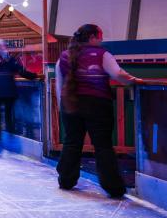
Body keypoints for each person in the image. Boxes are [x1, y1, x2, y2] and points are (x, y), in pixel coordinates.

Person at [54, 24, 137, 198]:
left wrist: (63, 106)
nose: (102, 39)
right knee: (103, 146)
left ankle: (66, 181)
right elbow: (118, 74)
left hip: (70, 105)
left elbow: (59, 84)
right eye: (100, 35)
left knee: (71, 143)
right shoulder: (103, 55)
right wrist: (135, 81)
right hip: (98, 105)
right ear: (92, 37)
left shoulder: (63, 56)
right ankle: (114, 188)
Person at [0, 39, 38, 155]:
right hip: (8, 91)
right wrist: (32, 75)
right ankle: (10, 142)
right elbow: (20, 69)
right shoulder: (8, 58)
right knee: (8, 116)